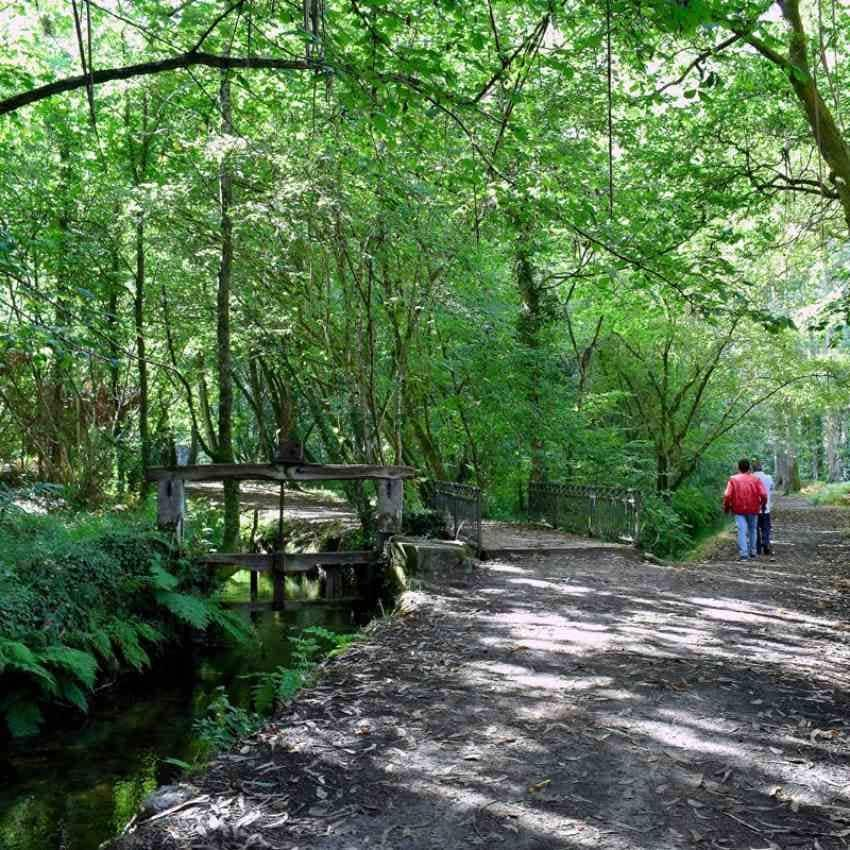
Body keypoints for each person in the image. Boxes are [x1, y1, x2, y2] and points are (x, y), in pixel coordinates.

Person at [723, 458, 768, 561]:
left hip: (738, 509)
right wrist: (763, 504)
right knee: (753, 530)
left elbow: (727, 495)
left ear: (738, 468)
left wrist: (726, 507)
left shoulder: (733, 479)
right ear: (749, 468)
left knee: (741, 531)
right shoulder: (756, 479)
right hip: (753, 508)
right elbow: (764, 494)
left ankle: (743, 554)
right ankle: (753, 552)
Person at [752, 461, 774, 559]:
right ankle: (766, 543)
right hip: (766, 508)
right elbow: (772, 488)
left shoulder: (750, 478)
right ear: (762, 468)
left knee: (755, 528)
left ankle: (757, 548)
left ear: (753, 469)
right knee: (766, 528)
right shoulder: (768, 477)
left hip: (753, 508)